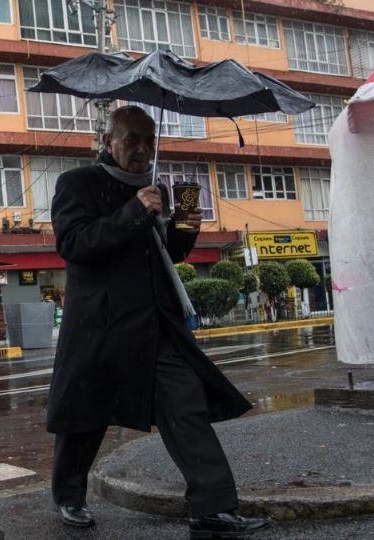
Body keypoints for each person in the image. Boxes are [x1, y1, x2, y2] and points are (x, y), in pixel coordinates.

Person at [48, 106, 268, 537]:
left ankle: (213, 508)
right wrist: (133, 210)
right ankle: (68, 496)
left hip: (155, 325)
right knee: (86, 418)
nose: (143, 149)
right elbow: (75, 243)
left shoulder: (154, 189)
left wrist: (185, 226)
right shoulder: (78, 183)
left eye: (150, 140)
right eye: (132, 139)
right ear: (108, 141)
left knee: (186, 409)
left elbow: (166, 253)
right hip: (101, 326)